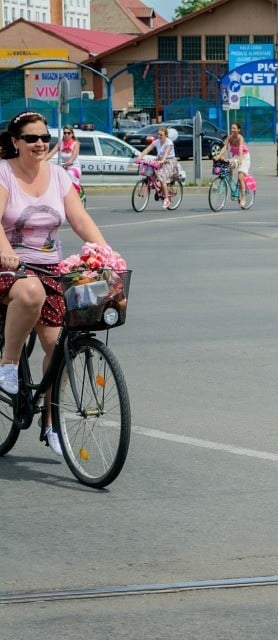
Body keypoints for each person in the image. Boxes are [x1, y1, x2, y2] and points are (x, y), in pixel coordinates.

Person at [0, 111, 115, 456]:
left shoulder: (60, 176)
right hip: (9, 266)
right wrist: (6, 252)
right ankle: (8, 364)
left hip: (52, 268)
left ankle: (50, 424)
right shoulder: (4, 174)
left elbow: (79, 218)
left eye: (44, 138)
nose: (39, 144)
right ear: (15, 143)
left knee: (58, 347)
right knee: (30, 290)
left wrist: (106, 252)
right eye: (31, 138)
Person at [135, 126, 177, 208]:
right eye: (158, 134)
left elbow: (166, 153)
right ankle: (159, 189)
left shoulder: (169, 143)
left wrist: (163, 160)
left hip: (169, 161)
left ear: (166, 135)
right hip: (159, 160)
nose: (159, 136)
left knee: (162, 178)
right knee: (149, 168)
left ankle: (167, 200)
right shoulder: (157, 142)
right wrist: (139, 157)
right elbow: (147, 149)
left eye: (161, 135)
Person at [215, 122, 251, 206]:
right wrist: (219, 156)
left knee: (240, 176)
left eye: (234, 128)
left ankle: (243, 198)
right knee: (228, 166)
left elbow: (241, 148)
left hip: (244, 157)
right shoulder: (229, 137)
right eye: (232, 128)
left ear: (238, 130)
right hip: (235, 156)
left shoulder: (240, 138)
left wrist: (240, 159)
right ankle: (231, 182)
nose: (232, 130)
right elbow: (225, 147)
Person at [44, 124, 82, 195]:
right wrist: (42, 161)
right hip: (65, 168)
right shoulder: (60, 144)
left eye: (68, 133)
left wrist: (67, 163)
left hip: (74, 167)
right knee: (54, 176)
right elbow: (51, 154)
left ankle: (76, 192)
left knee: (70, 173)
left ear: (72, 134)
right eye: (64, 133)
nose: (66, 134)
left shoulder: (76, 144)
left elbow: (72, 158)